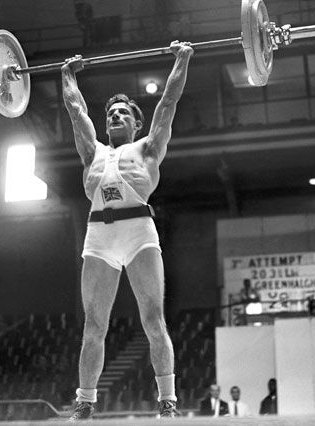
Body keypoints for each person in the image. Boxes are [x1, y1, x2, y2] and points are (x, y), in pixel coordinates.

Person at [61, 39, 194, 420]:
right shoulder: (92, 153)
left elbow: (168, 103)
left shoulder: (148, 149)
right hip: (99, 236)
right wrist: (67, 75)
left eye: (123, 114)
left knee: (154, 320)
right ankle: (85, 403)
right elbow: (75, 109)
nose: (115, 117)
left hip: (138, 232)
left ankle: (167, 402)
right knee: (94, 327)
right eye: (111, 114)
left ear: (136, 123)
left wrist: (181, 60)